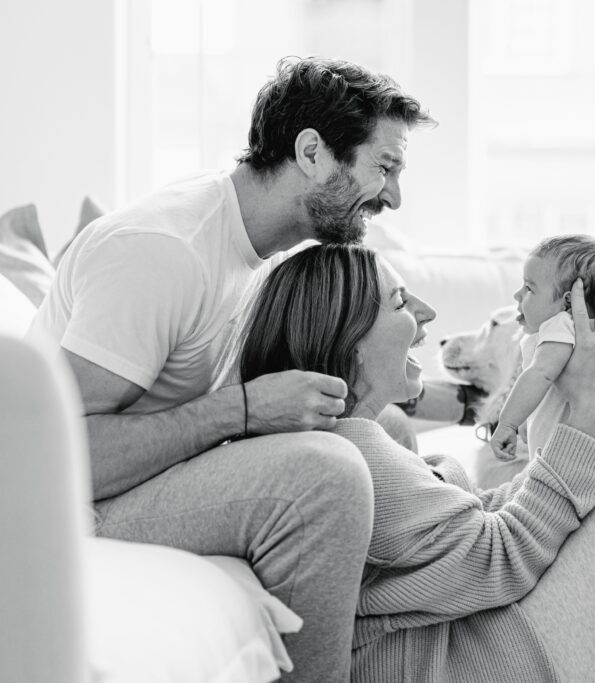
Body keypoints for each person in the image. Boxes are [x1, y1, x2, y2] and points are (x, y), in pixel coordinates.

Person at [28, 57, 435, 682]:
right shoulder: (163, 253)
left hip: (146, 477)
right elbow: (60, 457)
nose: (394, 197)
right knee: (326, 475)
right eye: (384, 167)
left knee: (385, 436)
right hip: (69, 507)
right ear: (312, 152)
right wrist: (243, 410)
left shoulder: (254, 248)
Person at [239, 243, 595, 682]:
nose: (429, 314)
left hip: (453, 637)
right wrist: (588, 413)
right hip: (445, 662)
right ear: (350, 342)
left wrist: (590, 409)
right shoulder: (351, 450)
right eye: (403, 303)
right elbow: (498, 556)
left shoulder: (359, 435)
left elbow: (471, 529)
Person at [490, 234, 595, 492]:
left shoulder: (562, 325)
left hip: (591, 481)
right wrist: (527, 421)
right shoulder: (582, 336)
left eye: (529, 288)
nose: (517, 295)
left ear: (568, 302)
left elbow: (540, 374)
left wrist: (508, 422)